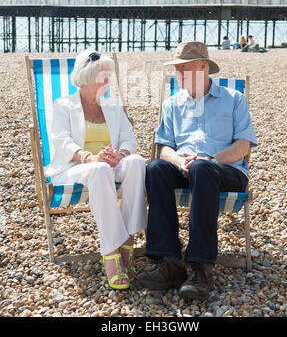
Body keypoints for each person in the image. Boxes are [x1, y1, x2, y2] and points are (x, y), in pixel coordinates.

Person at [137, 41, 257, 301]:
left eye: (183, 68)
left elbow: (243, 146)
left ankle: (201, 267)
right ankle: (169, 261)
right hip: (187, 168)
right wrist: (179, 161)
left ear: (203, 67)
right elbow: (164, 147)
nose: (177, 74)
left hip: (226, 171)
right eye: (176, 69)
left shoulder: (234, 99)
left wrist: (211, 159)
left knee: (203, 167)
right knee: (156, 168)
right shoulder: (172, 104)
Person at [45, 49, 147, 290]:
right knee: (100, 169)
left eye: (109, 75)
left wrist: (119, 155)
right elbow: (61, 141)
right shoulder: (63, 105)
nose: (108, 80)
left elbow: (128, 139)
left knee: (136, 162)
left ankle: (127, 242)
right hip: (74, 166)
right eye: (104, 75)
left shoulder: (113, 106)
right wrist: (90, 157)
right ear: (89, 77)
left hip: (107, 164)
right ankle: (111, 252)